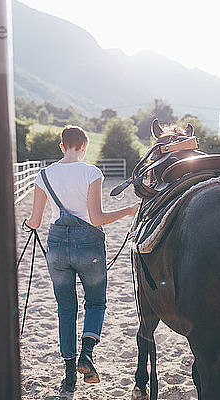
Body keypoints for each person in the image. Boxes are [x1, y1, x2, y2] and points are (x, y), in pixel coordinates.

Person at [25, 125, 139, 392]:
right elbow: (97, 219)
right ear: (85, 146)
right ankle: (87, 354)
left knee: (66, 309)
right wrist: (128, 210)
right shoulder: (91, 173)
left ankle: (68, 375)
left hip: (56, 245)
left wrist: (27, 225)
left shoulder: (43, 175)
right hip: (88, 244)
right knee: (96, 301)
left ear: (61, 146)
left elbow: (35, 221)